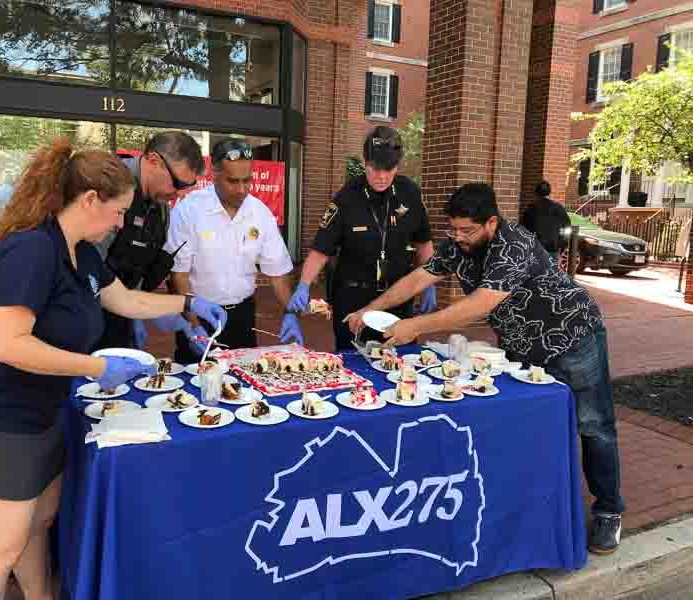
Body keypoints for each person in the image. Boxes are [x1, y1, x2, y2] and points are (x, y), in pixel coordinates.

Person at [0, 139, 226, 600]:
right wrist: (96, 366)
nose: (123, 223)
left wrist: (189, 303)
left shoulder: (81, 252)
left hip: (42, 414)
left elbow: (125, 299)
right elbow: (8, 344)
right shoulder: (30, 250)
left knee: (36, 526)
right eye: (118, 212)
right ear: (89, 200)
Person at [347, 182, 624, 555]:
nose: (457, 237)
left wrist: (415, 325)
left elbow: (480, 304)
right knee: (530, 422)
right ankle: (531, 506)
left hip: (573, 337)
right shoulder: (458, 245)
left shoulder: (514, 244)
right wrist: (371, 308)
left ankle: (609, 511)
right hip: (521, 347)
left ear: (491, 223)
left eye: (466, 230)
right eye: (453, 229)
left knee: (594, 426)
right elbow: (418, 278)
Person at [287, 126, 435, 351]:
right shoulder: (347, 197)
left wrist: (429, 283)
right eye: (375, 168)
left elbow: (423, 242)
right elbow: (321, 250)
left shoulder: (410, 194)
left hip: (399, 297)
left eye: (389, 169)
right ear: (365, 162)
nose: (382, 176)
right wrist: (303, 285)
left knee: (400, 362)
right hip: (354, 299)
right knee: (353, 364)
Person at [165, 138, 303, 363]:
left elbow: (277, 273)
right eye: (233, 181)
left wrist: (290, 312)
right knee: (193, 386)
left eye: (247, 181)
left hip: (242, 315)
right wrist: (192, 324)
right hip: (199, 314)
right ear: (213, 174)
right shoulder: (189, 211)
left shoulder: (260, 214)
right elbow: (178, 275)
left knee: (243, 387)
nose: (242, 190)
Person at [96, 131, 207, 351]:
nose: (178, 194)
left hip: (124, 312)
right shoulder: (109, 185)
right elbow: (88, 270)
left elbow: (139, 267)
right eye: (176, 182)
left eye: (185, 187)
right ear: (153, 161)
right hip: (87, 314)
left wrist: (137, 314)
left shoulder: (162, 210)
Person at [521, 180, 571, 263]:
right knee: (552, 274)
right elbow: (566, 229)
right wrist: (560, 244)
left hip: (535, 250)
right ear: (549, 193)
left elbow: (524, 231)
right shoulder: (559, 208)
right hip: (553, 249)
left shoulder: (531, 209)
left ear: (536, 193)